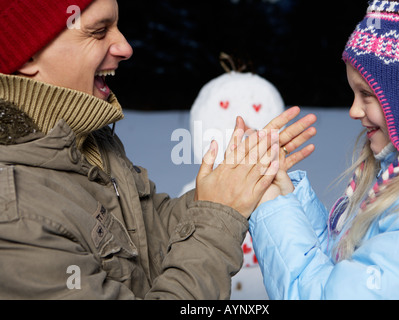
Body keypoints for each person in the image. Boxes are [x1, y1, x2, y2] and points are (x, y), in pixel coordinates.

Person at [0, 0, 317, 299]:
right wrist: (221, 214)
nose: (125, 47)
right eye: (99, 31)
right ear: (29, 55)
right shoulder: (15, 216)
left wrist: (234, 182)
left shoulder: (87, 140)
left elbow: (149, 234)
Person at [249, 0, 399, 299]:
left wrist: (271, 206)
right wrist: (285, 195)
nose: (354, 110)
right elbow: (338, 264)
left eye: (367, 94)